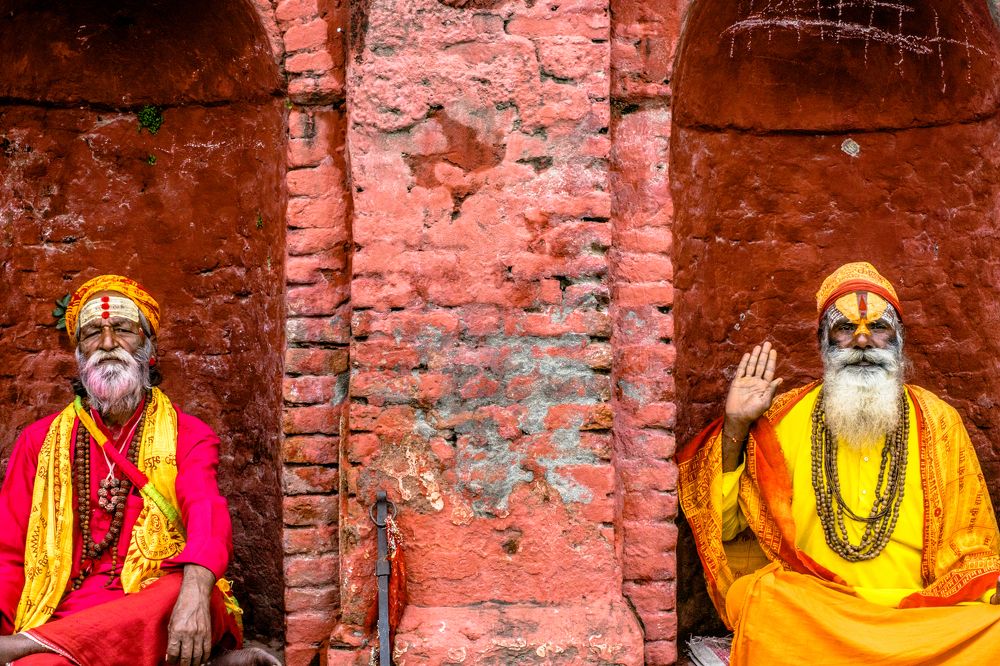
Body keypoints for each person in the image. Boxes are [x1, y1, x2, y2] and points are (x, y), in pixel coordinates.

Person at [679, 262, 1000, 664]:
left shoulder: (938, 420)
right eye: (845, 329)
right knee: (764, 599)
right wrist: (736, 426)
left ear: (899, 341)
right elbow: (725, 526)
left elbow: (971, 540)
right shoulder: (781, 419)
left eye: (878, 327)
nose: (863, 341)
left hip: (916, 613)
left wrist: (989, 585)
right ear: (823, 344)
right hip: (820, 612)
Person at [0, 275, 278, 666]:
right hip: (65, 613)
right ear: (78, 353)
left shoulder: (189, 434)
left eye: (124, 330)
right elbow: (8, 552)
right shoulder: (38, 441)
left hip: (160, 606)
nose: (109, 344)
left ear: (149, 348)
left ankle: (27, 646)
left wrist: (196, 593)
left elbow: (206, 513)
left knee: (187, 584)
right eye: (93, 332)